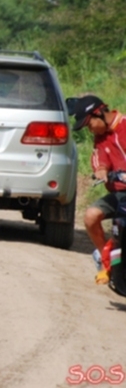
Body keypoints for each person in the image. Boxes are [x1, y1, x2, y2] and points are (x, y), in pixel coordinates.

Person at [72, 95, 126, 275]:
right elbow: (100, 159)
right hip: (119, 194)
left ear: (99, 114)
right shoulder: (100, 138)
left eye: (89, 124)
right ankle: (108, 261)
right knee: (90, 216)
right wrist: (101, 170)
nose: (90, 130)